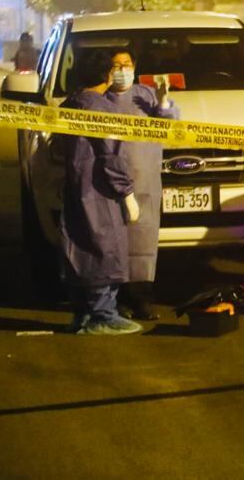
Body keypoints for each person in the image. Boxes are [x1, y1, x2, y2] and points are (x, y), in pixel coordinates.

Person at [58, 50, 143, 335]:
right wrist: (127, 193)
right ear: (106, 74)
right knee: (105, 249)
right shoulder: (102, 108)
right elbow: (111, 155)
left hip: (76, 188)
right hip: (100, 192)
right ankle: (102, 315)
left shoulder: (71, 104)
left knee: (81, 249)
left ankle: (82, 314)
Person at [104, 48, 179, 320]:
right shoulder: (100, 99)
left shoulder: (145, 95)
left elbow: (171, 124)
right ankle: (118, 301)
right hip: (110, 186)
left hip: (146, 182)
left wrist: (164, 101)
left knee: (144, 244)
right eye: (116, 65)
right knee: (115, 242)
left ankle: (143, 300)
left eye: (127, 64)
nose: (122, 70)